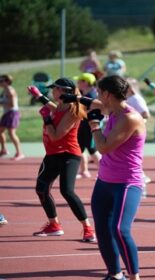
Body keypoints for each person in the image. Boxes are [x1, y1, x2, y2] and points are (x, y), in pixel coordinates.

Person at [62, 75, 146, 280]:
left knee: (119, 229)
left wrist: (94, 125)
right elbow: (93, 103)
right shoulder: (112, 108)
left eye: (100, 92)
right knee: (103, 230)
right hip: (104, 182)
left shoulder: (129, 117)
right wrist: (73, 98)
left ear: (108, 94)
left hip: (126, 183)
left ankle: (134, 277)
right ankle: (115, 274)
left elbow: (104, 147)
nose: (97, 96)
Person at [27, 78, 95, 242]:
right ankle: (54, 225)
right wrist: (38, 96)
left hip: (68, 155)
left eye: (55, 89)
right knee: (41, 189)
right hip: (52, 154)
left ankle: (88, 229)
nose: (52, 91)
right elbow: (53, 107)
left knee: (67, 191)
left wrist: (46, 119)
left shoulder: (72, 110)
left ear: (65, 91)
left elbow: (56, 136)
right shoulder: (62, 105)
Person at [74, 73, 101, 179]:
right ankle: (84, 171)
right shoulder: (82, 94)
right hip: (81, 126)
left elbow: (95, 110)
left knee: (92, 150)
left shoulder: (93, 95)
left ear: (85, 82)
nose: (77, 83)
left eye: (79, 81)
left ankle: (104, 172)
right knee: (79, 149)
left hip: (90, 127)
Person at [0, 74, 24, 160]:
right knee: (0, 131)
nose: (0, 82)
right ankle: (3, 150)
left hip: (12, 113)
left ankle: (19, 153)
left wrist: (1, 103)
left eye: (2, 81)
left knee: (11, 133)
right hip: (7, 113)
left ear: (7, 82)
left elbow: (12, 104)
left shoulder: (10, 91)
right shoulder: (4, 91)